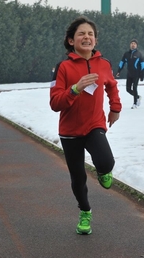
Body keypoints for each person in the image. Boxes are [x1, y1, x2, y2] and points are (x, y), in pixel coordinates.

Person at [50, 16, 122, 235]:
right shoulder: (62, 67)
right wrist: (75, 89)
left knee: (106, 161)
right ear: (71, 41)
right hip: (70, 131)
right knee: (78, 177)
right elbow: (55, 103)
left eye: (90, 34)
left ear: (95, 41)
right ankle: (85, 212)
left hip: (94, 125)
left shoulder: (104, 64)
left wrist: (115, 108)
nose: (87, 37)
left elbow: (112, 86)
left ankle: (103, 170)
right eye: (81, 33)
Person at [115, 39, 144, 109]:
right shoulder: (126, 54)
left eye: (134, 44)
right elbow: (122, 62)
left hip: (136, 74)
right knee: (128, 89)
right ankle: (137, 97)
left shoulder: (139, 54)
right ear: (130, 45)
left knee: (134, 88)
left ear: (136, 45)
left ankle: (135, 103)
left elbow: (143, 65)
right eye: (132, 43)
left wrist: (142, 75)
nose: (133, 45)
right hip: (129, 74)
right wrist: (119, 71)